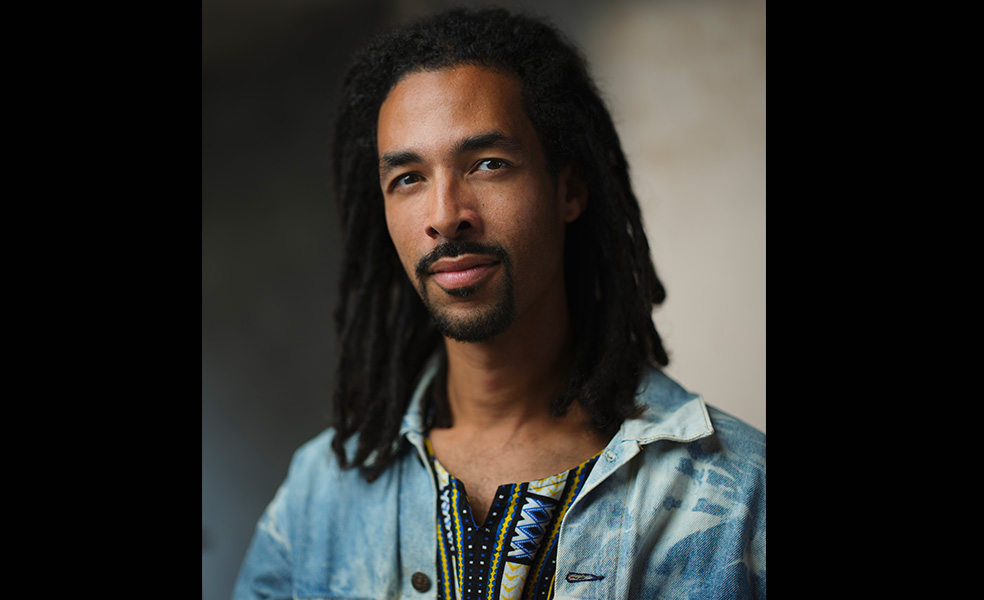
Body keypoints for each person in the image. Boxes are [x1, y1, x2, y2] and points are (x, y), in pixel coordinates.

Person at [233, 8, 765, 600]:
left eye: (488, 164)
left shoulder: (741, 492)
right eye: (408, 177)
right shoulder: (319, 499)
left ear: (568, 189)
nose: (444, 216)